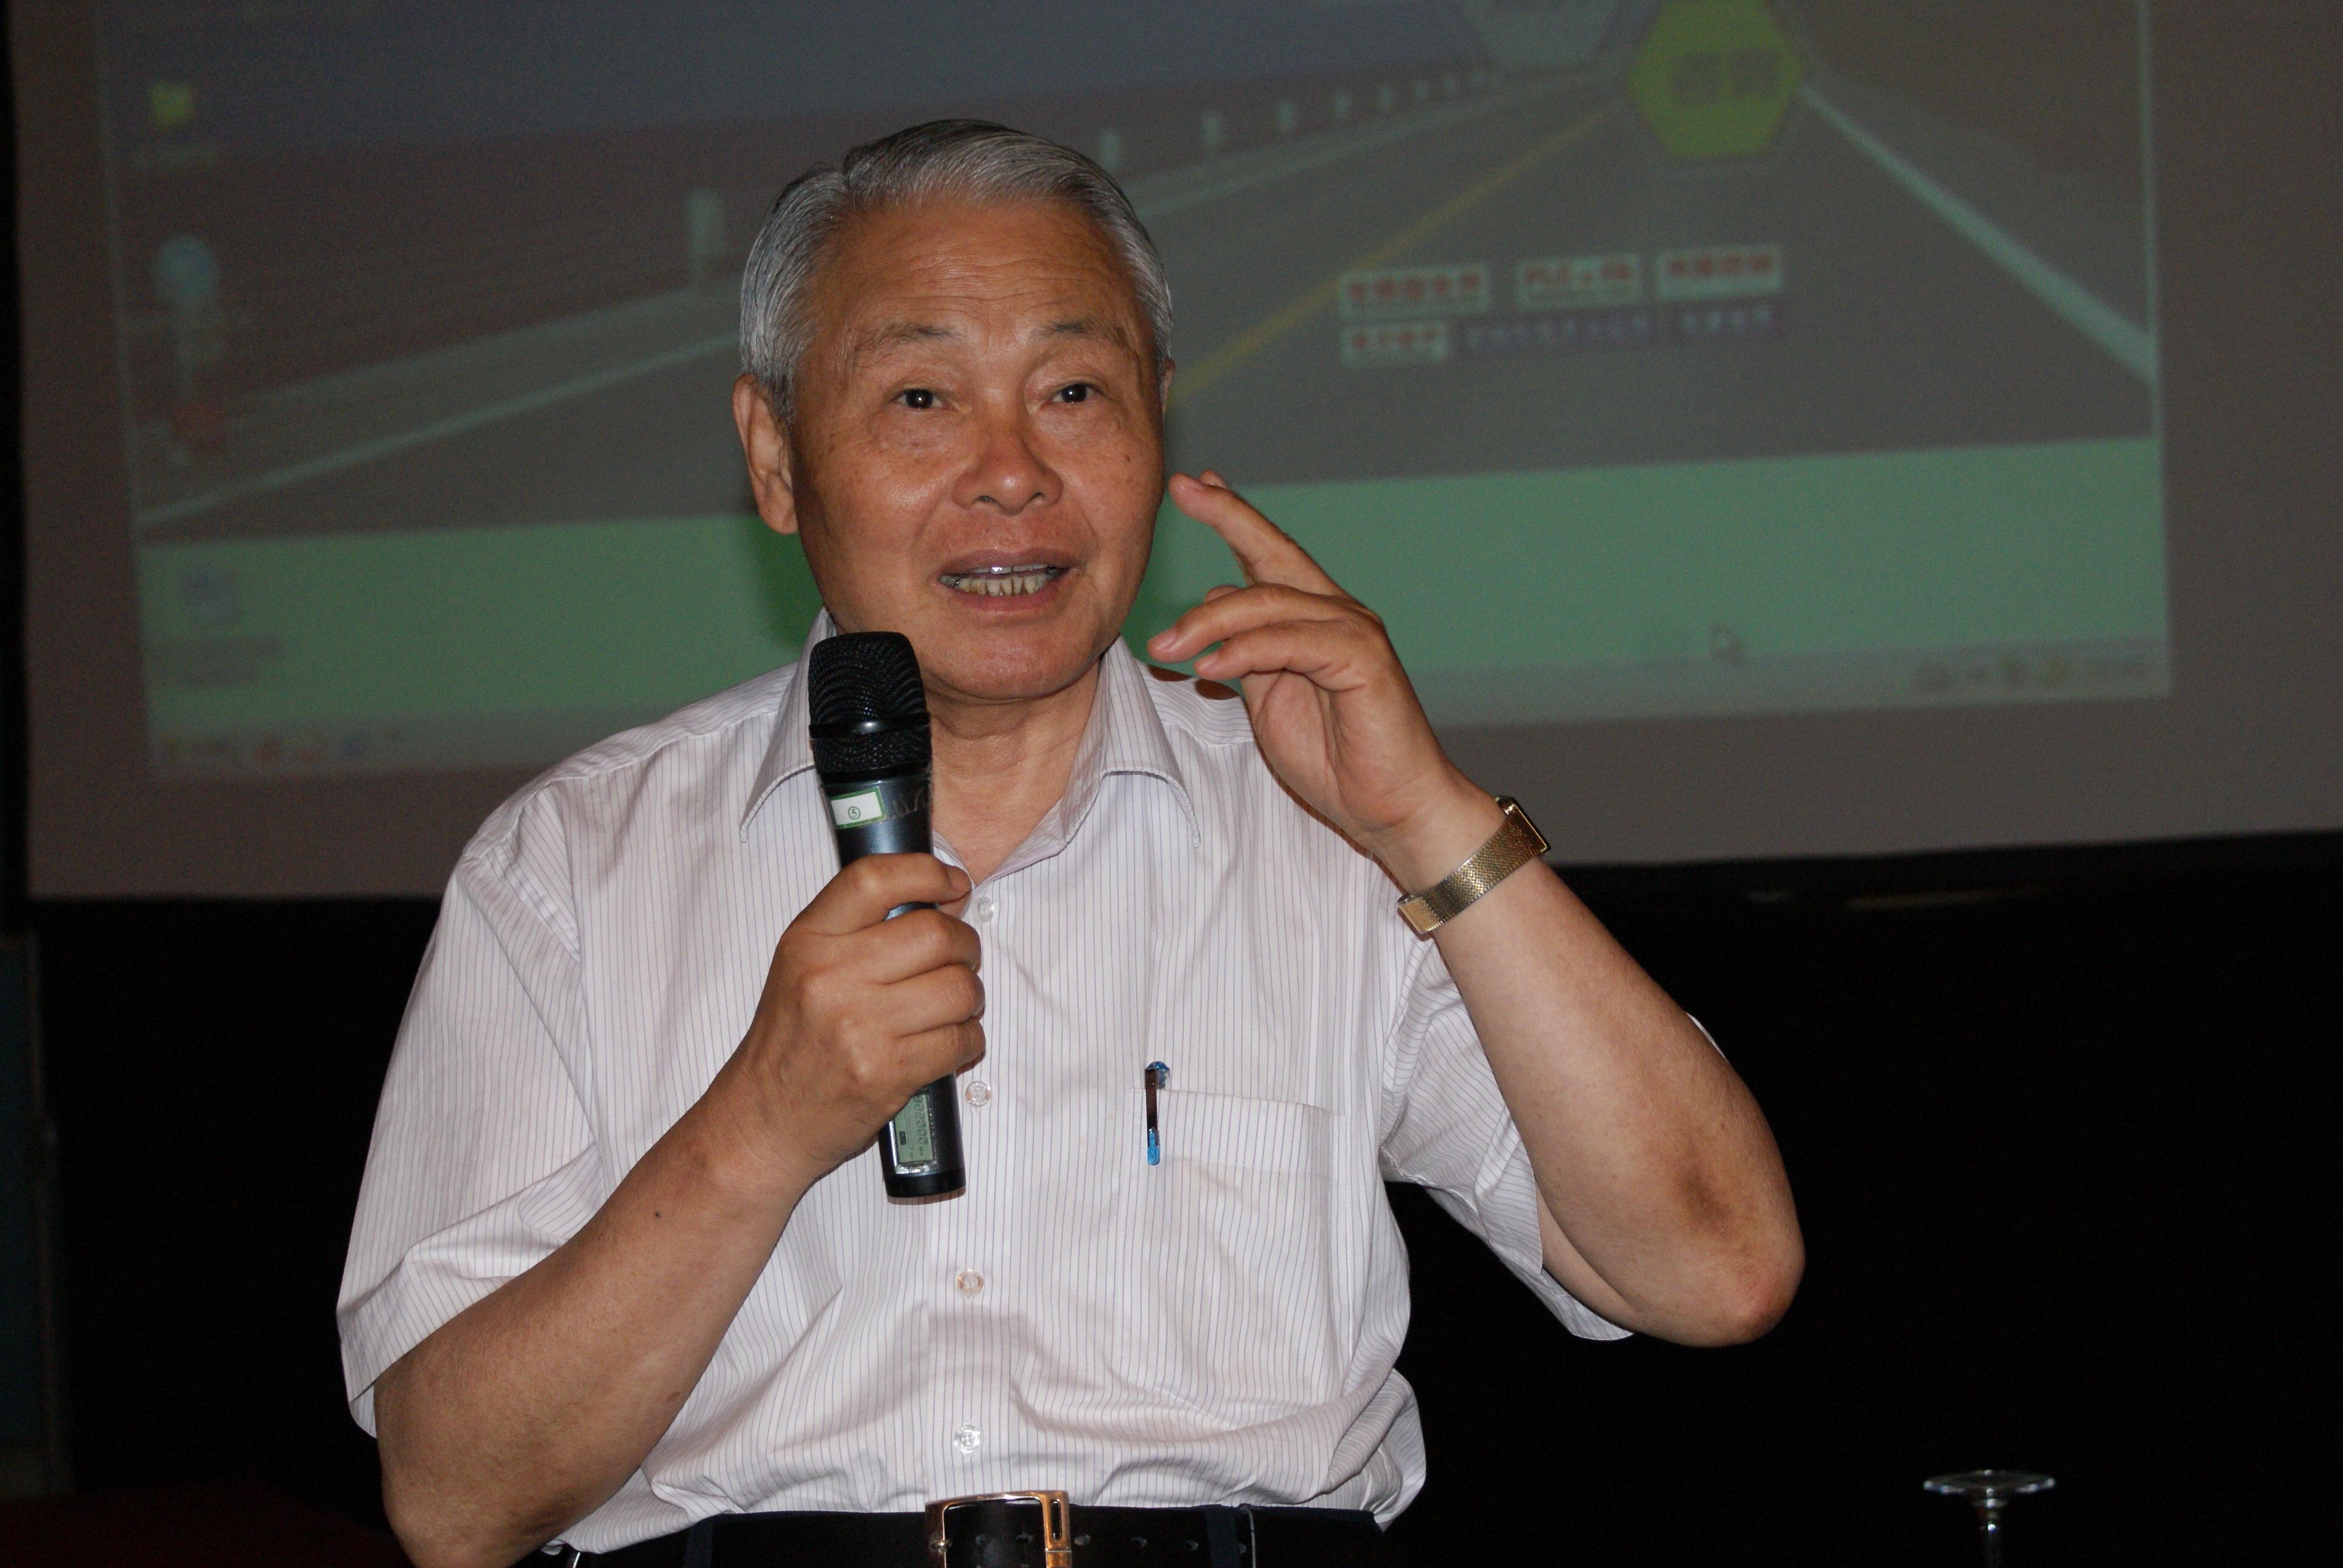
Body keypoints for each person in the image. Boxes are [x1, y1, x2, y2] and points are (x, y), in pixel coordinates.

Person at [338, 120, 1802, 1568]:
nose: (1011, 474)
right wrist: (760, 1129)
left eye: (1074, 392)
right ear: (774, 458)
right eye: (921, 397)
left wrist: (1427, 817)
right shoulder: (575, 864)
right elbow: (455, 1499)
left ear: (1158, 423)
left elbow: (1717, 1269)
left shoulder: (1327, 833)